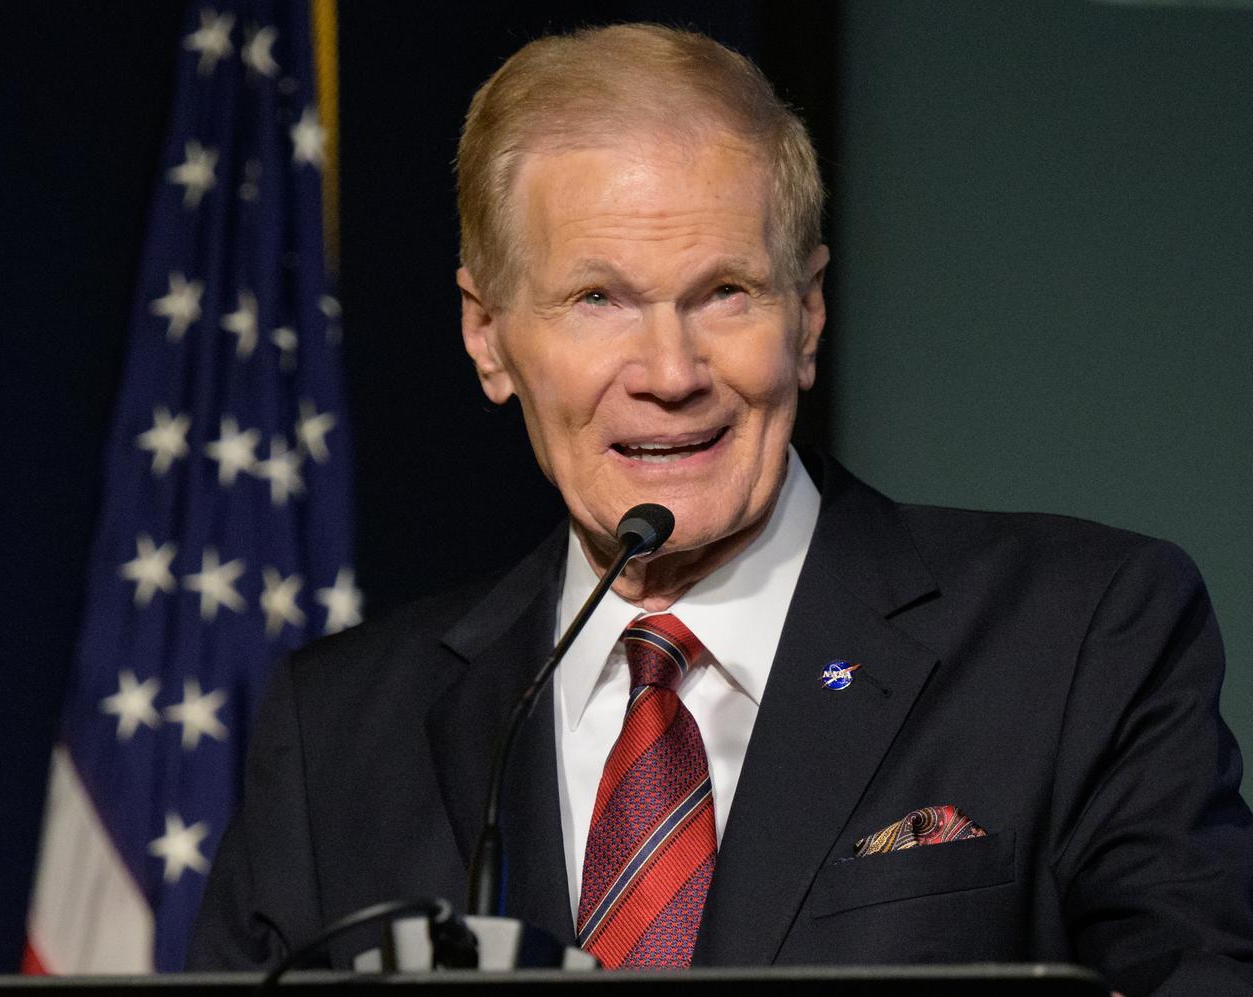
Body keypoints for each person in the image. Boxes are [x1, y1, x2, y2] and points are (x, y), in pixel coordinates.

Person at [188, 24, 1253, 993]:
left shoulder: (1075, 636)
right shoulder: (335, 733)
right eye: (596, 297)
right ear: (487, 335)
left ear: (808, 313)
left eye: (723, 293)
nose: (668, 370)